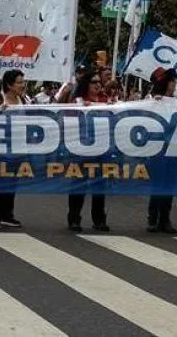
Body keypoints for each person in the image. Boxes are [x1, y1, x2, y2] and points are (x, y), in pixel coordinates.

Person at [67, 70, 110, 232]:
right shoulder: (77, 101)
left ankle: (99, 219)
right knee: (78, 186)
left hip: (101, 150)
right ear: (86, 84)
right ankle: (74, 218)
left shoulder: (106, 101)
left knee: (100, 186)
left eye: (99, 82)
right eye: (94, 82)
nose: (98, 85)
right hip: (80, 151)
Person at [0, 70, 26, 229]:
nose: (22, 85)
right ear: (9, 84)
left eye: (23, 82)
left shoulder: (23, 100)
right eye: (19, 82)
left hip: (17, 148)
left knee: (12, 182)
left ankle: (8, 215)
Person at [146, 68, 177, 234]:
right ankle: (153, 218)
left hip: (174, 149)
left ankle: (165, 219)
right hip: (157, 150)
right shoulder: (151, 100)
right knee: (158, 185)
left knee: (169, 186)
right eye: (173, 82)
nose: (175, 85)